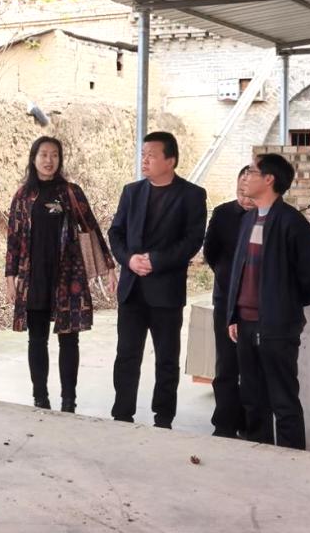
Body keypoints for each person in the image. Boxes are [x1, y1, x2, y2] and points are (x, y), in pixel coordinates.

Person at [226, 153, 310, 450]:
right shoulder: (248, 220)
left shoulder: (292, 223)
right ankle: (260, 457)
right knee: (252, 399)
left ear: (269, 179)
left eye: (252, 172)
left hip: (277, 327)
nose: (246, 177)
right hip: (245, 325)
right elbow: (238, 271)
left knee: (283, 400)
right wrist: (233, 314)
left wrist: (284, 305)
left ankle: (291, 460)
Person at [5, 136, 112, 413]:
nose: (49, 160)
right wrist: (10, 276)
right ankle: (40, 398)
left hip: (68, 275)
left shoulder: (70, 193)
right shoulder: (23, 196)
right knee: (37, 339)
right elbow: (14, 238)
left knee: (69, 339)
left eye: (54, 155)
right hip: (34, 275)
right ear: (33, 158)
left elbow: (91, 228)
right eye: (43, 154)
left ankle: (68, 400)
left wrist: (108, 267)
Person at [108, 131, 207, 428]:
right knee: (127, 355)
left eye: (151, 155)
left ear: (170, 160)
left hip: (166, 290)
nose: (145, 160)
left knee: (166, 359)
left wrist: (156, 261)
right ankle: (122, 412)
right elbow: (116, 233)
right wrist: (129, 259)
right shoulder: (132, 192)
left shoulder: (192, 195)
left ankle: (163, 417)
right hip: (132, 289)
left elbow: (192, 240)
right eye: (143, 154)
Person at [202, 165, 254, 438]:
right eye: (240, 192)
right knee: (226, 364)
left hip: (255, 303)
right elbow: (210, 252)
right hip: (226, 298)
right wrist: (228, 278)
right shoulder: (223, 214)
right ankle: (224, 423)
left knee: (252, 366)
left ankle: (250, 423)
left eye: (249, 193)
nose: (245, 198)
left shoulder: (266, 218)